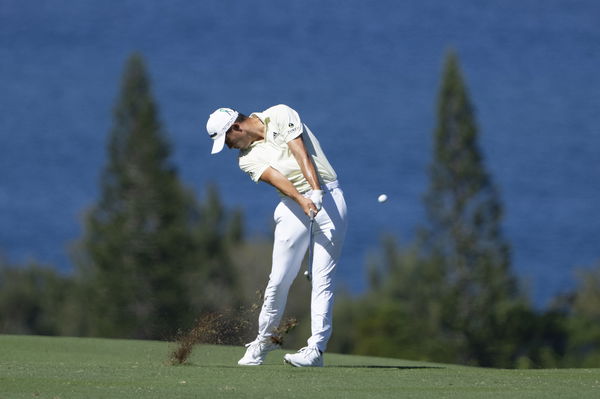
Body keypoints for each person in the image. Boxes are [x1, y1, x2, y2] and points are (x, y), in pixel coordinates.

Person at [205, 104, 348, 367]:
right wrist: (303, 200)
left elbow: (299, 150)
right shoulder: (246, 159)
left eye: (227, 141)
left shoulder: (280, 114)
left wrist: (315, 191)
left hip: (329, 196)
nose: (228, 148)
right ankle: (264, 341)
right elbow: (278, 178)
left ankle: (315, 350)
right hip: (293, 205)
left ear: (236, 127)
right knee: (279, 280)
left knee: (322, 279)